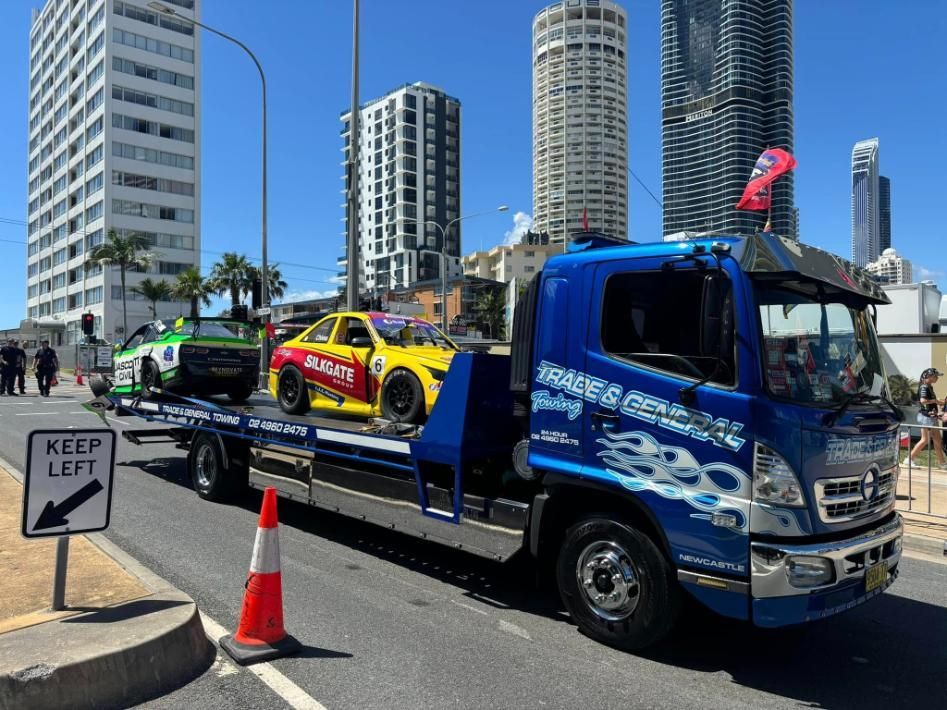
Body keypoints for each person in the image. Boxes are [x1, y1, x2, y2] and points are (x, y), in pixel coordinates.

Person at [909, 367, 947, 469]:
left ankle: (943, 464)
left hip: (931, 417)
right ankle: (909, 459)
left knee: (937, 441)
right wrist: (935, 401)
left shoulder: (929, 387)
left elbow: (932, 401)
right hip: (926, 417)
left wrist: (939, 403)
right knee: (925, 440)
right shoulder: (924, 387)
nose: (937, 378)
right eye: (936, 376)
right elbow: (923, 401)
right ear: (929, 376)